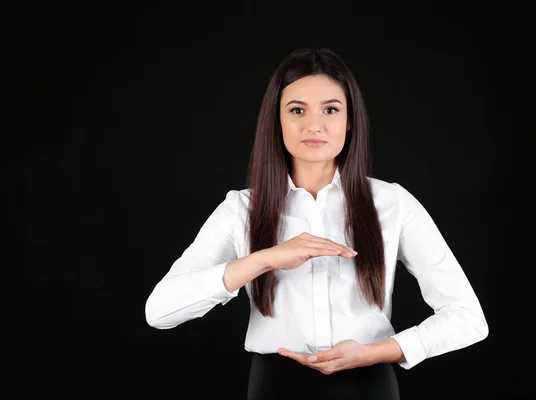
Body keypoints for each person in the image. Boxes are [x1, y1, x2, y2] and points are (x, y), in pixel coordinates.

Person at [145, 48, 489, 399]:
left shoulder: (392, 202)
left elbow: (467, 318)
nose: (314, 125)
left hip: (369, 386)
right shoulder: (241, 209)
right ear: (276, 119)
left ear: (349, 119)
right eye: (297, 110)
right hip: (275, 389)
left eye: (330, 109)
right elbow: (159, 311)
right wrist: (265, 259)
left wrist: (378, 351)